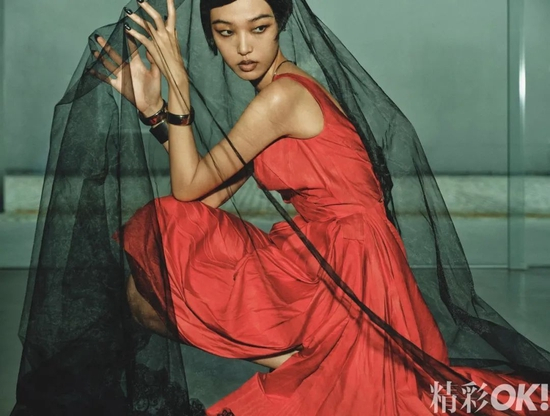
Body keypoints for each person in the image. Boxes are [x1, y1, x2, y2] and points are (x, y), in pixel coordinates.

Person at [12, 0, 550, 415]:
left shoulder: (283, 97)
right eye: (226, 32)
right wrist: (156, 113)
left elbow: (189, 187)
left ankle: (319, 366)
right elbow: (204, 193)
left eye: (259, 27)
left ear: (281, 25)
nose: (243, 47)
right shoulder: (273, 97)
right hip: (322, 253)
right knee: (161, 252)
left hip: (355, 265)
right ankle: (313, 364)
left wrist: (176, 90)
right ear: (211, 37)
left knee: (164, 233)